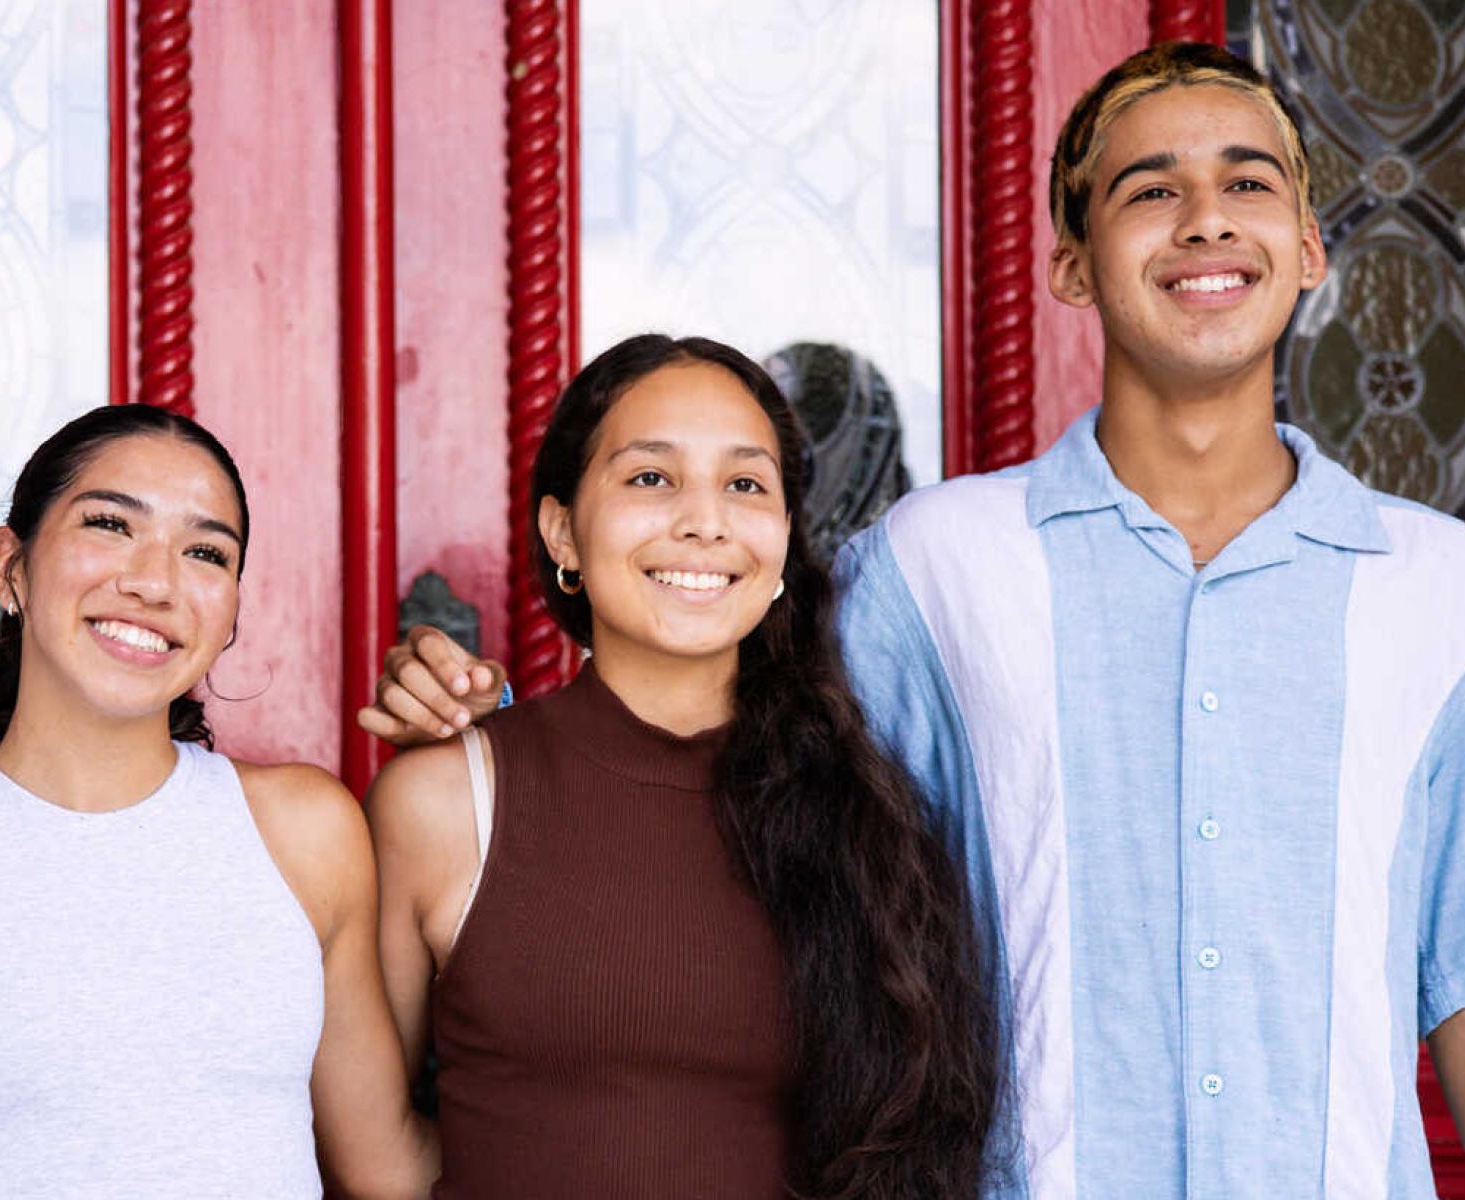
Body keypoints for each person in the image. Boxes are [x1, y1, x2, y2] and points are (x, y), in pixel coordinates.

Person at [368, 42, 1465, 1200]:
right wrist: (499, 742)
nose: (1206, 217)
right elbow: (728, 759)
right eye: (1149, 188)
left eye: (1247, 181)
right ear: (1072, 263)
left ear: (1310, 246)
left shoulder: (1440, 590)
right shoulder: (934, 566)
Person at [364, 334, 1000, 1199]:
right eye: (651, 478)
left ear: (782, 540)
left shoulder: (871, 811)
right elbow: (377, 1159)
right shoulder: (442, 803)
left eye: (745, 484)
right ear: (564, 533)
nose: (705, 521)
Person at [0, 404, 430, 1199]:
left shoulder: (304, 830)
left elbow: (391, 1170)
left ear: (232, 607)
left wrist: (495, 753)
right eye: (110, 525)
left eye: (206, 552)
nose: (154, 582)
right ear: (12, 568)